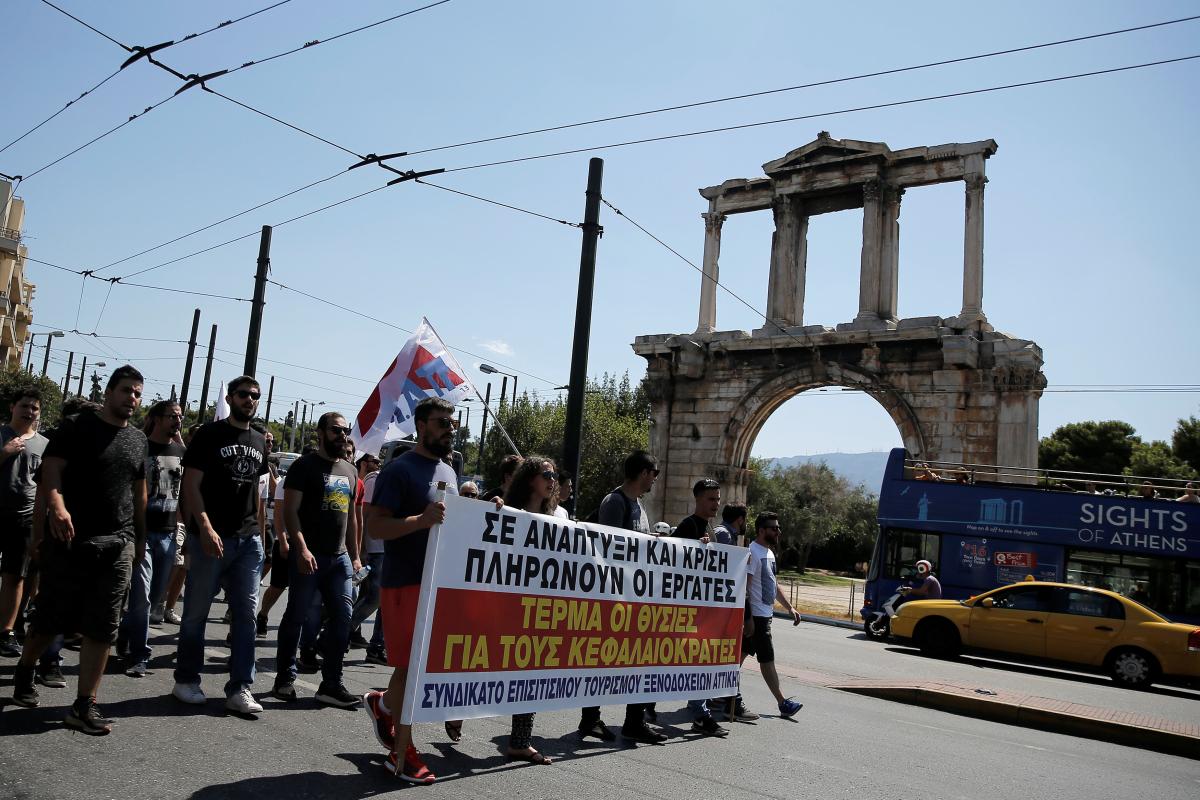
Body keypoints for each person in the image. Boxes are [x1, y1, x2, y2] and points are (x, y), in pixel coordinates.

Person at [10, 366, 148, 735]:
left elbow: (139, 494)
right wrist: (56, 508)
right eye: (125, 391)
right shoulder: (76, 428)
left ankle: (84, 704)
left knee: (103, 627)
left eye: (137, 393)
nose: (131, 399)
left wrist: (139, 542)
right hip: (70, 542)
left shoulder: (138, 439)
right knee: (50, 619)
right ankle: (26, 669)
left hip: (117, 544)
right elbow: (50, 474)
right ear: (109, 394)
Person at [361, 397, 460, 783]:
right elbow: (376, 527)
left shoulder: (448, 472)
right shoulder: (399, 470)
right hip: (404, 582)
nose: (449, 428)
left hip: (436, 582)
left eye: (452, 422)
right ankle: (401, 754)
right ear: (420, 425)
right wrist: (420, 520)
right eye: (441, 422)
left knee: (417, 666)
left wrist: (483, 508)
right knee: (410, 667)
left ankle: (384, 706)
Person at [172, 376, 269, 715]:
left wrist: (261, 534)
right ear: (230, 398)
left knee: (246, 617)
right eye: (244, 395)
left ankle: (240, 688)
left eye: (255, 396)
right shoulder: (209, 435)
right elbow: (192, 485)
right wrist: (205, 527)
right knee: (196, 614)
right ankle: (186, 679)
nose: (250, 400)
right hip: (210, 538)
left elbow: (256, 492)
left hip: (248, 540)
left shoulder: (259, 439)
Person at [272, 412, 362, 707]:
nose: (342, 435)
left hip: (340, 560)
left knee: (343, 619)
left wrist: (356, 556)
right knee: (297, 616)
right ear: (320, 432)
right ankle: (285, 678)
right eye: (336, 430)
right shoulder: (303, 466)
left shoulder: (349, 470)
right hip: (309, 557)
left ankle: (331, 683)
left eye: (345, 430)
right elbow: (290, 512)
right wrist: (301, 548)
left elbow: (351, 519)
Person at [579, 449, 665, 744]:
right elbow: (608, 548)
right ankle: (590, 718)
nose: (655, 479)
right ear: (644, 473)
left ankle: (634, 720)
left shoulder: (639, 505)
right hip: (615, 595)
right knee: (603, 660)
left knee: (639, 660)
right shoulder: (614, 502)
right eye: (654, 473)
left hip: (635, 596)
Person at [116, 400, 184, 677]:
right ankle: (140, 654)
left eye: (179, 417)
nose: (177, 421)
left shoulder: (181, 452)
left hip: (169, 534)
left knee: (155, 598)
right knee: (142, 596)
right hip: (140, 532)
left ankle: (125, 632)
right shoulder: (140, 447)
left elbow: (187, 494)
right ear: (156, 419)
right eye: (172, 416)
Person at [497, 456, 558, 764]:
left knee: (529, 671)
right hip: (504, 603)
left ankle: (520, 741)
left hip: (537, 607)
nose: (552, 480)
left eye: (555, 475)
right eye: (546, 473)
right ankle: (457, 713)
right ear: (529, 478)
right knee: (484, 661)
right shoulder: (507, 512)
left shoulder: (556, 518)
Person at [670, 478, 727, 736]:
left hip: (703, 608)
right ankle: (699, 713)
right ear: (698, 499)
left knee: (698, 660)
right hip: (687, 608)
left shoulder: (710, 528)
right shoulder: (689, 526)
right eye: (710, 499)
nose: (716, 504)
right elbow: (674, 560)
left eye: (717, 499)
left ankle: (699, 711)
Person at [0, 388, 49, 657]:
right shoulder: (1, 435)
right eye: (25, 406)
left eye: (34, 408)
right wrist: (5, 452)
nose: (29, 412)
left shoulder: (43, 444)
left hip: (24, 518)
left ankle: (5, 632)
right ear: (12, 407)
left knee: (15, 576)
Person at [743, 512, 803, 719]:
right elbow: (747, 588)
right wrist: (749, 618)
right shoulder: (752, 552)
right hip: (757, 618)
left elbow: (774, 585)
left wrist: (789, 608)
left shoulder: (768, 553)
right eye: (773, 528)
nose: (778, 531)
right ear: (761, 531)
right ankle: (782, 702)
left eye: (778, 528)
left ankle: (721, 696)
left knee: (737, 659)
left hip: (764, 615)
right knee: (767, 659)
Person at [350, 453, 387, 665]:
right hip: (376, 548)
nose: (378, 464)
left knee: (384, 602)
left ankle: (377, 646)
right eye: (375, 461)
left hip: (392, 549)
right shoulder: (376, 479)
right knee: (374, 598)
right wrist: (361, 549)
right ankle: (338, 631)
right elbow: (363, 514)